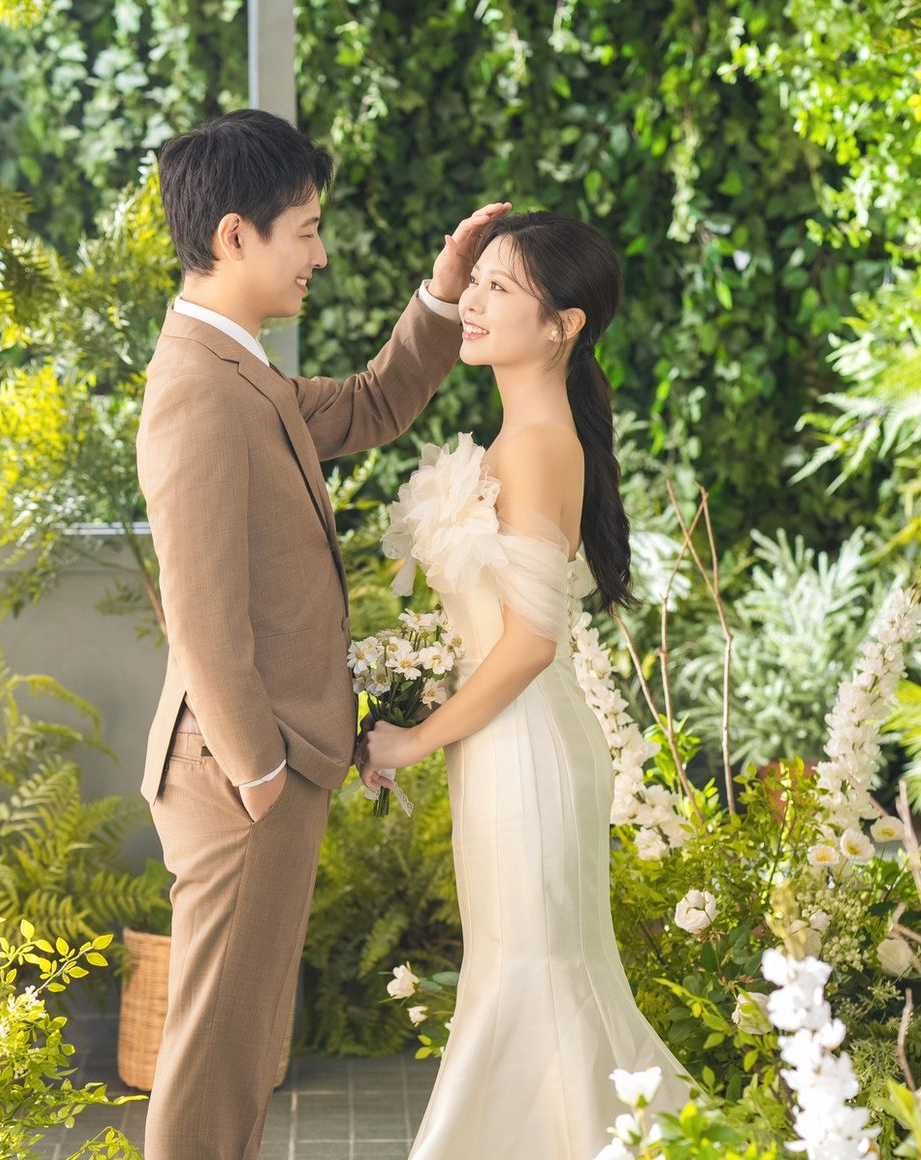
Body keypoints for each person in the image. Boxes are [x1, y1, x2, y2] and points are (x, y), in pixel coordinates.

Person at [135, 107, 508, 1160]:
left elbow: (372, 405)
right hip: (240, 772)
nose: (321, 252)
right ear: (234, 236)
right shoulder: (198, 391)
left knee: (245, 1046)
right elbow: (199, 610)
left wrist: (443, 292)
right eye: (304, 229)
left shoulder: (239, 371)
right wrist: (260, 770)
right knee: (216, 1058)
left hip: (264, 766)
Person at [359, 211, 691, 1158]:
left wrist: (412, 740)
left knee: (537, 981)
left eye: (499, 287)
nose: (472, 301)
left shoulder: (542, 446)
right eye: (477, 282)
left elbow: (532, 645)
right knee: (518, 977)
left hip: (530, 753)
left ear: (563, 325)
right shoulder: (519, 437)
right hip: (499, 747)